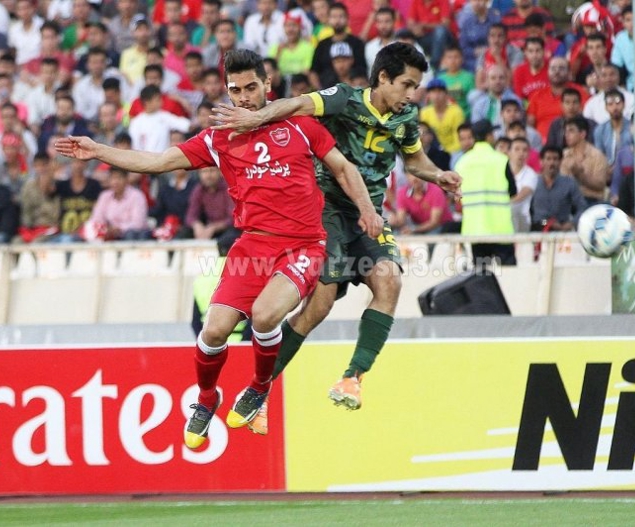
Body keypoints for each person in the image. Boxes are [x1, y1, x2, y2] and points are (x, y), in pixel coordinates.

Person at [54, 49, 383, 447]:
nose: (243, 97)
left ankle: (260, 386)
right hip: (251, 248)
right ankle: (208, 399)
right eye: (235, 90)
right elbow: (157, 162)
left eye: (250, 87)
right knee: (213, 331)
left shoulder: (299, 126)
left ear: (267, 86)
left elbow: (344, 168)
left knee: (263, 317)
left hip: (302, 245)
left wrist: (367, 210)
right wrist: (100, 150)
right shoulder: (218, 139)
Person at [211, 42, 461, 432]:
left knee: (390, 280)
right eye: (407, 85)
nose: (412, 95)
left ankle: (352, 377)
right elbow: (294, 106)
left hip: (368, 213)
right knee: (319, 305)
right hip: (324, 209)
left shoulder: (406, 117)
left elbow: (415, 161)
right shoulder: (344, 99)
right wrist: (254, 118)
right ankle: (260, 390)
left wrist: (438, 175)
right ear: (383, 78)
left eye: (415, 87)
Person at [456, 118, 517, 266]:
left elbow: (457, 196)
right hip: (501, 228)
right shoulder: (501, 160)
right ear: (489, 136)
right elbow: (513, 191)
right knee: (509, 275)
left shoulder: (462, 163)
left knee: (481, 277)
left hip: (474, 229)